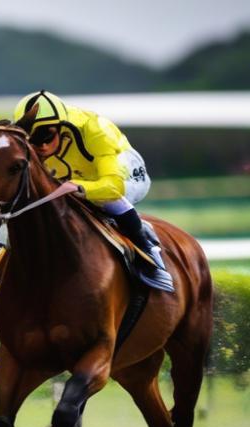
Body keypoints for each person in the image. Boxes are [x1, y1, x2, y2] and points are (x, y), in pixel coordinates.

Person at [13, 90, 174, 292]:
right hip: (73, 176)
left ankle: (149, 253)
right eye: (34, 139)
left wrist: (80, 186)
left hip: (124, 176)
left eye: (47, 135)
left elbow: (113, 187)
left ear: (61, 128)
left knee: (103, 198)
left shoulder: (96, 129)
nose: (43, 145)